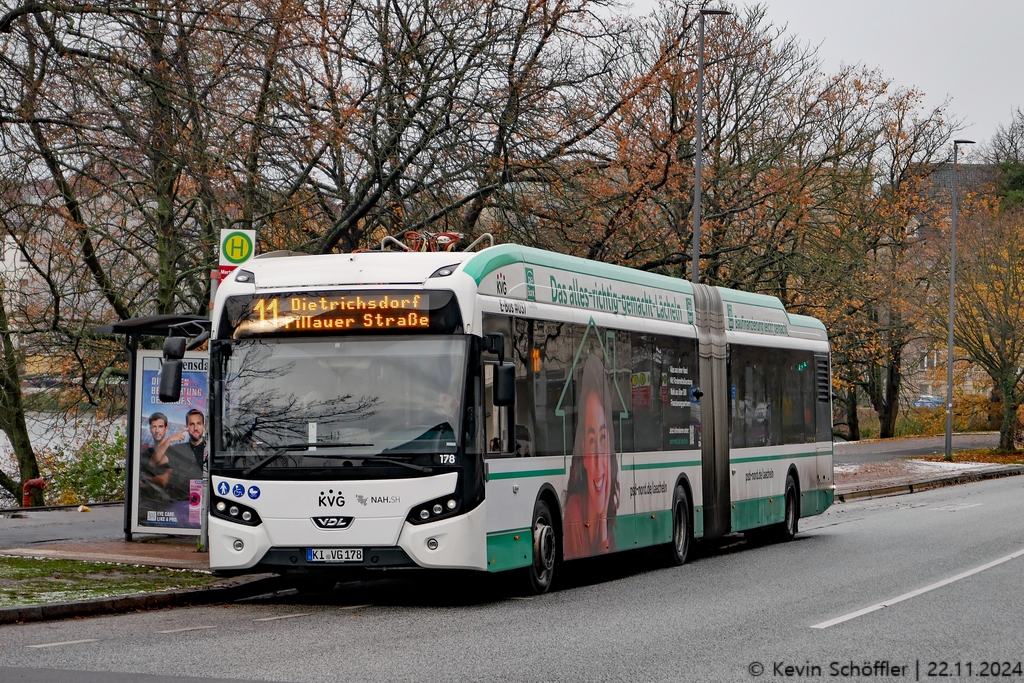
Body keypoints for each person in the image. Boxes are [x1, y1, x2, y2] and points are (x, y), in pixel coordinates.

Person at [562, 353, 619, 560]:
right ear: (583, 457)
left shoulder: (605, 513)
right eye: (592, 440)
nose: (597, 460)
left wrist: (603, 518)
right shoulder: (575, 512)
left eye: (603, 438)